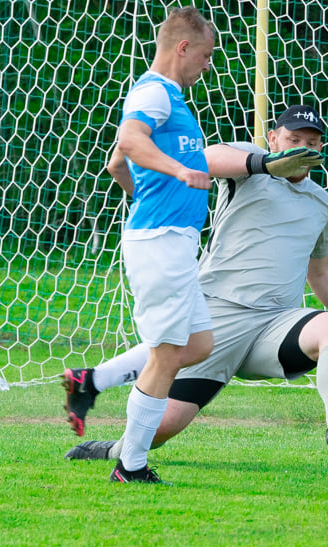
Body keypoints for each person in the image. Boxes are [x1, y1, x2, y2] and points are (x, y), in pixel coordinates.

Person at [63, 104, 328, 470]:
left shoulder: (322, 201)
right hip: (215, 317)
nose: (304, 148)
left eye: (313, 142)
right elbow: (206, 158)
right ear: (273, 138)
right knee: (159, 429)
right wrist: (268, 164)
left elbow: (319, 270)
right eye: (294, 139)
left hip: (276, 324)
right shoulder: (252, 165)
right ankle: (114, 448)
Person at [90, 6, 217, 485]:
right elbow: (129, 138)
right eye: (204, 55)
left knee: (199, 345)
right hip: (160, 242)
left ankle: (95, 380)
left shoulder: (169, 98)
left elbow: (116, 163)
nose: (208, 65)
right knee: (166, 353)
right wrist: (180, 172)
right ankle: (131, 465)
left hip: (172, 240)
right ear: (183, 47)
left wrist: (144, 191)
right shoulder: (154, 92)